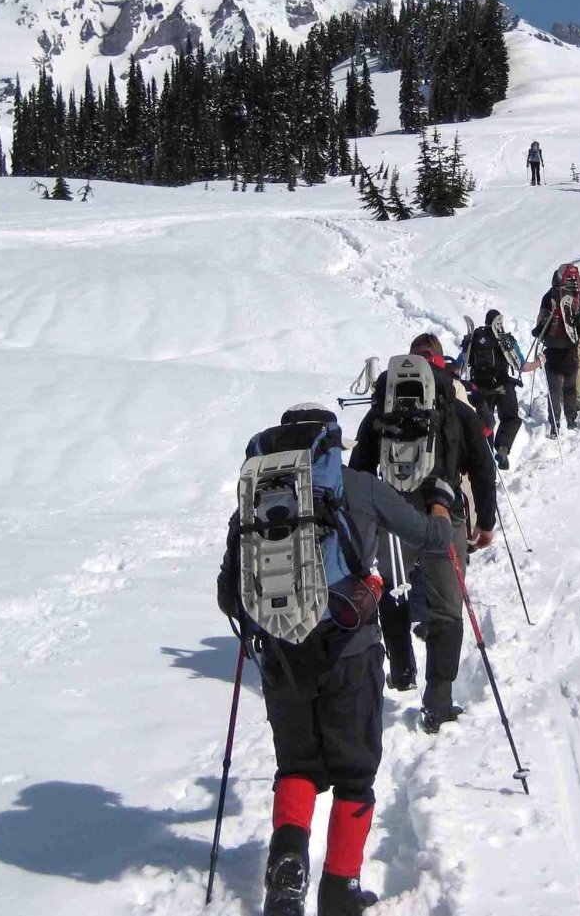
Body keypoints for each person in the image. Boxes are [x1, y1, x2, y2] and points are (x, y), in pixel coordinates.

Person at [217, 404, 457, 916]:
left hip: (282, 654)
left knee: (298, 765)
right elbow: (432, 539)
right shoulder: (357, 487)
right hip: (351, 648)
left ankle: (286, 877)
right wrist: (440, 499)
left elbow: (228, 592)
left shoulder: (256, 497)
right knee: (354, 774)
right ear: (331, 441)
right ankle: (339, 891)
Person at [349, 333, 497, 730]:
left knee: (394, 590)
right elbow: (482, 464)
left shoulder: (384, 403)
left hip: (390, 514)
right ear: (439, 360)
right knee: (448, 608)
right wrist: (485, 521)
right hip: (442, 515)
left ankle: (401, 671)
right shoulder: (454, 401)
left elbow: (360, 464)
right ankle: (438, 703)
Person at [457, 309, 541, 471]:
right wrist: (539, 362)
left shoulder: (473, 339)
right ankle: (502, 450)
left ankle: (484, 460)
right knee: (511, 419)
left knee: (484, 425)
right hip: (503, 387)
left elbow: (460, 365)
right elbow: (522, 366)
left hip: (479, 389)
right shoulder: (505, 340)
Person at [534, 265, 580, 435]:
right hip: (570, 350)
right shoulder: (579, 296)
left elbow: (538, 325)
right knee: (570, 387)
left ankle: (554, 424)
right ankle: (571, 419)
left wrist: (541, 332)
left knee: (554, 390)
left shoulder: (549, 296)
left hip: (551, 350)